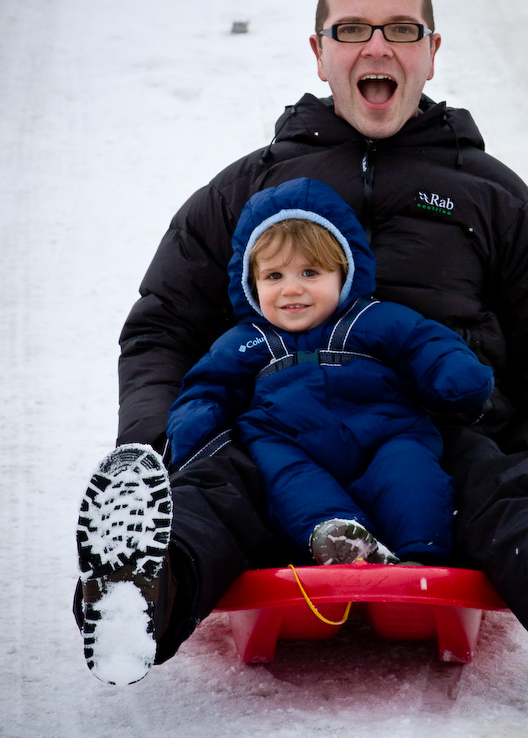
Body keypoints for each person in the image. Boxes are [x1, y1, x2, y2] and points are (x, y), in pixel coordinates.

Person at [74, 0, 528, 690]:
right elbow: (162, 328)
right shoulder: (250, 188)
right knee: (215, 489)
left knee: (512, 497)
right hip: (276, 440)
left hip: (440, 447)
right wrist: (160, 451)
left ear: (431, 53)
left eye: (401, 28)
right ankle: (138, 593)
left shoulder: (491, 197)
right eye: (353, 28)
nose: (377, 47)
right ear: (319, 51)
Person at [165, 177, 494, 568]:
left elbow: (424, 342)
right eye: (274, 276)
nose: (291, 289)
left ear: (344, 273)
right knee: (284, 477)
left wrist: (457, 375)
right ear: (250, 283)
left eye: (310, 273)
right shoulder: (245, 341)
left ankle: (420, 558)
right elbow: (206, 387)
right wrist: (194, 434)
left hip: (386, 434)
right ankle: (337, 537)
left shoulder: (373, 319)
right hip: (287, 442)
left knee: (411, 474)